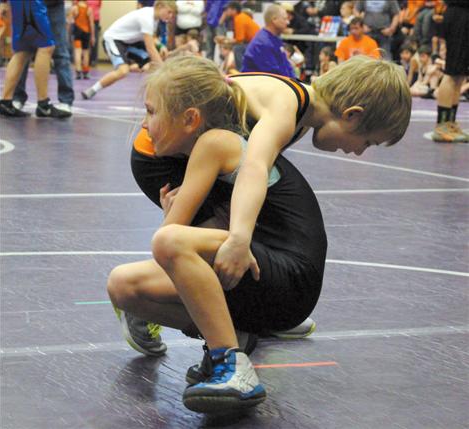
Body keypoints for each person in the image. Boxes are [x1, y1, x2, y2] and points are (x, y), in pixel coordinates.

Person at [120, 54, 411, 365]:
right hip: (160, 156)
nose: (357, 152)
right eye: (366, 142)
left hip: (181, 150)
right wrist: (240, 238)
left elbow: (251, 180)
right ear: (352, 115)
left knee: (225, 234)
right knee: (212, 243)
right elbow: (254, 168)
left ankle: (251, 309)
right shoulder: (286, 107)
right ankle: (154, 301)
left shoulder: (297, 110)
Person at [108, 55, 327, 413]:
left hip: (288, 278)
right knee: (122, 286)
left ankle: (231, 363)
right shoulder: (218, 146)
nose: (145, 126)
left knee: (169, 243)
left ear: (190, 119)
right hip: (269, 276)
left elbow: (169, 241)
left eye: (151, 112)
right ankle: (235, 336)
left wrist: (172, 220)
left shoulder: (215, 144)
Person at [81, 0, 176, 100]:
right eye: (169, 12)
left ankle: (155, 94)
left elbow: (151, 38)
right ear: (160, 6)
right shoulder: (147, 17)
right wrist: (164, 69)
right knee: (123, 71)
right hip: (113, 39)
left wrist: (161, 46)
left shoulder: (154, 18)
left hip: (129, 42)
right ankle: (93, 89)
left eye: (172, 14)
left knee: (154, 62)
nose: (170, 16)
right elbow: (150, 48)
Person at [0, 0, 70, 118]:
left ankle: (6, 102)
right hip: (31, 3)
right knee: (46, 47)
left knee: (24, 49)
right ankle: (43, 104)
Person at [431, 0, 469, 143]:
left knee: (459, 75)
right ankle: (442, 126)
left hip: (463, 15)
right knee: (452, 73)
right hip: (459, 16)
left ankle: (450, 123)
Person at [241, 3, 295, 77]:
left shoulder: (274, 39)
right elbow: (275, 75)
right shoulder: (262, 43)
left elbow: (286, 66)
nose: (288, 22)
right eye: (285, 19)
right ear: (274, 19)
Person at [222, 1, 259, 70]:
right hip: (252, 42)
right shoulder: (239, 17)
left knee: (237, 48)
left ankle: (240, 71)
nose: (226, 11)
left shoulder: (239, 19)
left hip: (255, 44)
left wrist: (226, 41)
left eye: (228, 9)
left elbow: (240, 40)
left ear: (234, 10)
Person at [68, 0, 94, 79]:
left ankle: (78, 72)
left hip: (77, 32)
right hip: (86, 32)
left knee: (77, 52)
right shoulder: (89, 9)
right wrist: (93, 36)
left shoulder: (74, 8)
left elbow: (69, 22)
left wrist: (68, 33)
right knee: (86, 52)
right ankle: (85, 72)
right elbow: (91, 23)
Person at [87, 0, 102, 66]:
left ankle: (93, 59)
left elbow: (99, 5)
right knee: (86, 39)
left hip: (95, 19)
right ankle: (86, 59)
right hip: (85, 18)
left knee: (94, 39)